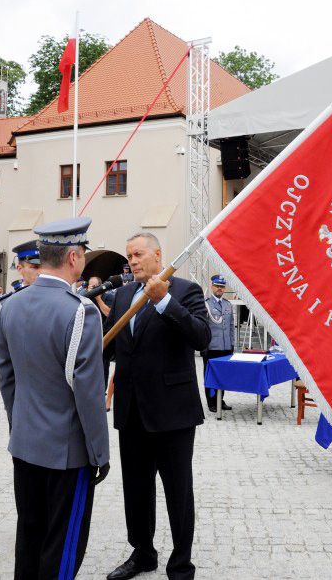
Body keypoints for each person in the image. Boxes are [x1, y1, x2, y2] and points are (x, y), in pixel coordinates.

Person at [0, 217, 110, 579]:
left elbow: (6, 376)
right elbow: (89, 394)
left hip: (25, 444)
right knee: (62, 547)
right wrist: (100, 453)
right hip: (67, 453)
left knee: (29, 536)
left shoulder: (8, 305)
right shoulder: (81, 311)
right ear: (74, 257)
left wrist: (20, 426)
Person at [104, 232, 210, 580]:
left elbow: (202, 336)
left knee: (177, 491)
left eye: (138, 254)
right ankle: (143, 554)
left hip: (173, 412)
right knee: (136, 488)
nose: (132, 260)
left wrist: (165, 302)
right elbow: (109, 348)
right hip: (132, 410)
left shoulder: (184, 291)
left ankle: (181, 564)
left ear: (158, 255)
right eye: (128, 255)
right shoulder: (121, 296)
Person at [0, 240, 42, 372]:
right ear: (19, 269)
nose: (40, 272)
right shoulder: (3, 304)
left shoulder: (56, 300)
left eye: (42, 267)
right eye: (34, 267)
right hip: (17, 380)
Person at [201, 274, 234, 412]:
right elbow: (202, 327)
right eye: (217, 286)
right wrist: (203, 347)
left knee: (223, 376)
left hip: (226, 347)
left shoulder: (228, 304)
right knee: (210, 376)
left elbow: (232, 326)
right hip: (212, 348)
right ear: (212, 286)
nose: (220, 289)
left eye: (222, 286)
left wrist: (232, 345)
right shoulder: (206, 304)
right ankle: (211, 403)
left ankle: (220, 400)